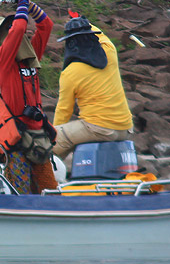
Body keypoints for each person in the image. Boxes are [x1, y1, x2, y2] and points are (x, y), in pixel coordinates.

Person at [0, 0, 58, 195]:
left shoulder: (30, 56)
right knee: (20, 195)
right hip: (17, 142)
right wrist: (22, 1)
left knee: (50, 194)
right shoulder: (1, 61)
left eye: (12, 24)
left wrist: (27, 4)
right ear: (0, 38)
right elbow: (18, 30)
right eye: (6, 29)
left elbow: (46, 25)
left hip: (40, 137)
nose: (15, 31)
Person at [52, 15, 133, 162]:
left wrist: (55, 135)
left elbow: (64, 110)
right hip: (125, 129)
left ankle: (48, 181)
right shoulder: (110, 51)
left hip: (99, 129)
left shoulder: (70, 72)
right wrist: (84, 21)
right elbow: (101, 35)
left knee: (48, 146)